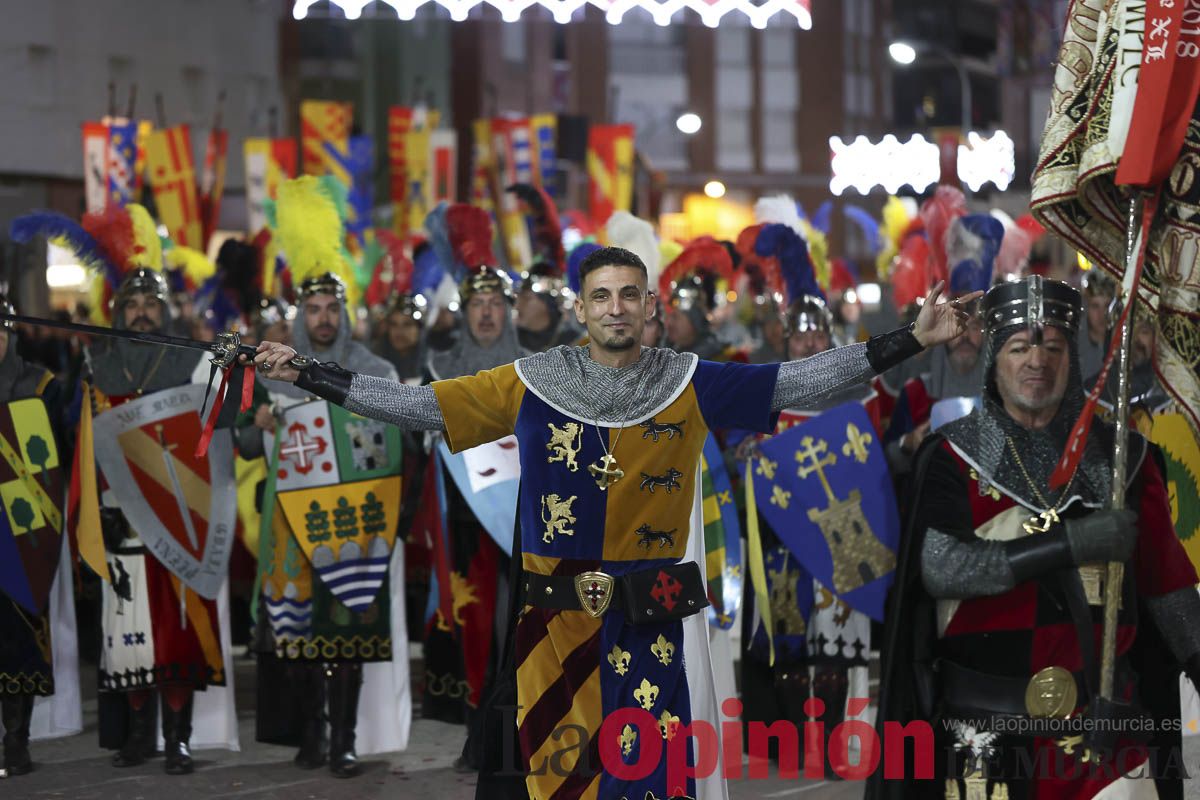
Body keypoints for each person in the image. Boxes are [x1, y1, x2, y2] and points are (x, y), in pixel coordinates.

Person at [251, 244, 975, 800]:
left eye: (630, 294)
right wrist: (310, 374)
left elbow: (797, 381)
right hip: (553, 631)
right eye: (602, 296)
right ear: (582, 308)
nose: (617, 308)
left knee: (650, 783)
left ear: (647, 303)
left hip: (650, 623)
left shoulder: (690, 381)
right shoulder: (530, 383)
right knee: (555, 782)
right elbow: (422, 407)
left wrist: (906, 340)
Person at [869, 276, 1200, 799]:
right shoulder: (953, 457)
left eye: (1053, 346)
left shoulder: (1123, 459)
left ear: (1073, 356)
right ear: (995, 358)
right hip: (985, 743)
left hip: (1106, 740)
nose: (1037, 361)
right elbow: (942, 567)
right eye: (1020, 346)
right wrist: (1068, 545)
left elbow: (1168, 586)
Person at [240, 175, 406, 779]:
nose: (324, 316)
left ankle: (345, 739)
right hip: (291, 512)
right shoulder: (276, 368)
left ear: (346, 311)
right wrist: (256, 417)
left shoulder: (376, 368)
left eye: (333, 307)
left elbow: (399, 442)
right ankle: (311, 732)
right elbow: (243, 440)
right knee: (299, 633)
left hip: (358, 513)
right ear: (300, 315)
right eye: (313, 309)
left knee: (351, 629)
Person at [89, 266, 221, 775]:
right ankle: (140, 734)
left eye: (150, 303)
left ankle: (178, 739)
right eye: (132, 304)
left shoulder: (190, 362)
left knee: (176, 630)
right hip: (118, 515)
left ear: (164, 311)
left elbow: (213, 435)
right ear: (118, 313)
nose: (141, 312)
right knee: (130, 628)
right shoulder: (97, 367)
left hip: (175, 514)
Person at [0, 295, 66, 777]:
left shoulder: (38, 386)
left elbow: (56, 463)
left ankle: (16, 739)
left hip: (19, 531)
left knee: (17, 636)